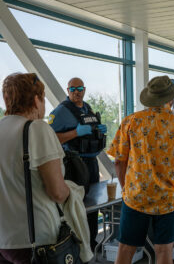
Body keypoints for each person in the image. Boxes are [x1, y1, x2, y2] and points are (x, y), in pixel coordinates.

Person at [107, 75, 174, 264]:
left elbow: (118, 161)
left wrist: (126, 188)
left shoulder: (130, 122)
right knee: (164, 250)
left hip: (136, 197)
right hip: (167, 198)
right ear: (171, 99)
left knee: (126, 248)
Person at [0, 73, 70, 264]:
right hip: (36, 239)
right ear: (36, 99)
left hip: (4, 239)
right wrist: (71, 192)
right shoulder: (37, 129)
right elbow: (57, 193)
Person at [48, 77, 107, 251]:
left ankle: (92, 241)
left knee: (93, 204)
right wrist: (75, 132)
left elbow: (91, 133)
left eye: (80, 88)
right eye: (73, 89)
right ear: (68, 91)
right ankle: (76, 245)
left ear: (84, 89)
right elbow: (50, 138)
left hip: (92, 162)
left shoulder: (87, 108)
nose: (77, 92)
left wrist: (99, 130)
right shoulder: (60, 112)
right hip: (74, 165)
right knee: (77, 205)